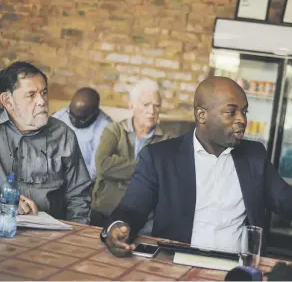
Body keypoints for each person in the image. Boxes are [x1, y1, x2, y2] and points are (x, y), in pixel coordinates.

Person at [101, 76, 292, 257]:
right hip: (176, 262)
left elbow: (284, 202)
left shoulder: (253, 155)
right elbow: (131, 210)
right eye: (232, 112)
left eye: (244, 111)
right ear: (202, 115)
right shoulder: (160, 157)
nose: (242, 120)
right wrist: (117, 229)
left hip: (236, 269)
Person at [0, 61, 91, 223]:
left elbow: (79, 197)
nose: (41, 101)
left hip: (52, 234)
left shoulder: (63, 135)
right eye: (31, 95)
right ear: (8, 101)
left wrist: (73, 235)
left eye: (44, 92)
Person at [91, 78, 174, 228]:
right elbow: (102, 165)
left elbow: (165, 177)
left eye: (156, 106)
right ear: (131, 106)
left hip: (145, 216)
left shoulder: (167, 139)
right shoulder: (114, 130)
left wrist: (120, 168)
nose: (152, 111)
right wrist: (146, 170)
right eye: (146, 105)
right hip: (106, 209)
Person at [52, 87, 112, 181]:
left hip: (82, 182)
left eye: (81, 119)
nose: (74, 121)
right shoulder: (60, 116)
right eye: (71, 115)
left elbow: (94, 172)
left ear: (95, 113)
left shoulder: (106, 129)